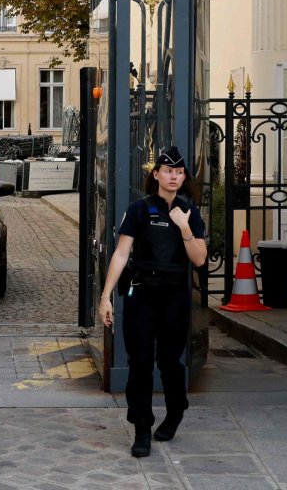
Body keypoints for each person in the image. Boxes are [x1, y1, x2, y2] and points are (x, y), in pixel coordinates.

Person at [97, 145, 207, 458]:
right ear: (156, 174)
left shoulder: (190, 211)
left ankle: (175, 412)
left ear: (184, 177)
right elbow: (121, 253)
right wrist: (106, 297)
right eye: (167, 171)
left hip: (174, 296)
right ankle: (142, 427)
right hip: (142, 294)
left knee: (170, 361)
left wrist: (184, 227)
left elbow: (199, 259)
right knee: (141, 361)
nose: (173, 176)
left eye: (179, 172)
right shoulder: (139, 210)